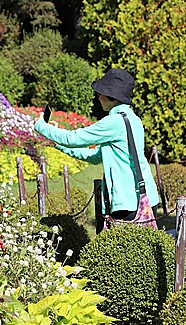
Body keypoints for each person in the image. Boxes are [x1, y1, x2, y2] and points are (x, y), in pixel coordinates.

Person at [33, 68, 159, 220]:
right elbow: (95, 156)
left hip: (129, 202)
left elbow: (72, 139)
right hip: (145, 197)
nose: (98, 96)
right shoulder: (133, 119)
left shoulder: (114, 122)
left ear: (112, 96)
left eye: (101, 93)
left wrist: (41, 125)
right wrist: (58, 143)